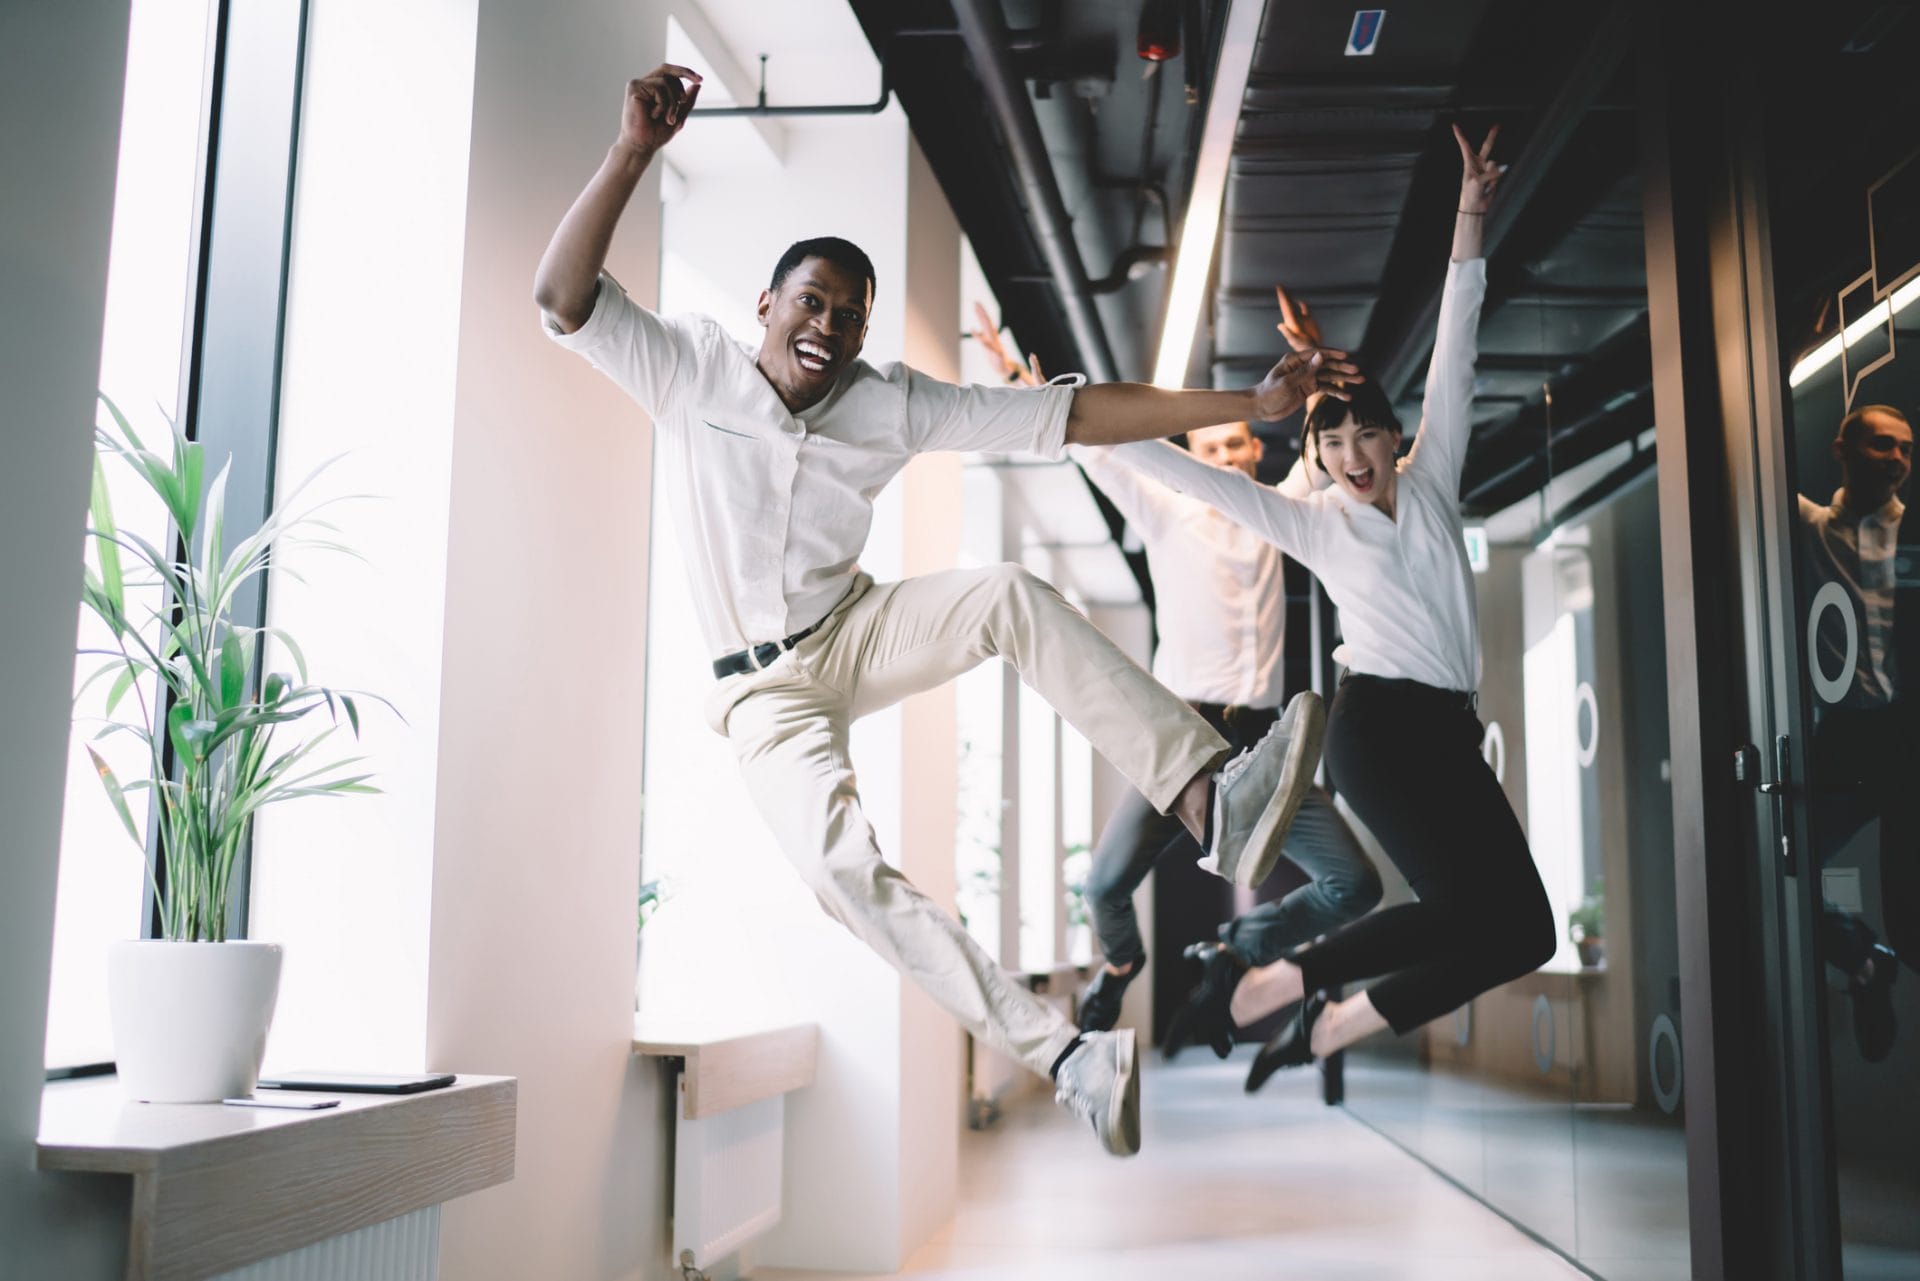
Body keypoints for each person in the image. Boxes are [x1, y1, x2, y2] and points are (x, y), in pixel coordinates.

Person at [532, 66, 1359, 1154]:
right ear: (767, 309)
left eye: (848, 317)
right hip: (762, 698)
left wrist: (1243, 405)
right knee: (843, 875)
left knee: (1007, 595)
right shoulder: (690, 368)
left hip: (853, 629)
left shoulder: (887, 403)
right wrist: (633, 151)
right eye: (810, 304)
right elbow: (561, 299)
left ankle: (1209, 798)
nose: (826, 327)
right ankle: (1068, 1054)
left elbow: (1072, 417)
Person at [1087, 124, 1559, 1092]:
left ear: (1393, 435)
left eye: (1362, 434)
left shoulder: (1432, 481)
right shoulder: (1319, 527)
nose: (1349, 455)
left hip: (1450, 735)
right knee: (1450, 905)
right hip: (1377, 732)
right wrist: (1088, 421)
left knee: (1525, 932)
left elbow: (1458, 340)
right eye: (1329, 441)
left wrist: (1470, 210)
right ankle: (1279, 978)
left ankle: (1336, 1019)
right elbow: (1208, 487)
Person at [969, 310, 1381, 1051]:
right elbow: (1091, 449)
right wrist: (1014, 379)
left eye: (1234, 444)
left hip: (1264, 742)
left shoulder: (1280, 510)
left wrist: (1312, 365)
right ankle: (1123, 960)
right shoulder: (1165, 512)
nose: (1223, 457)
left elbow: (1324, 457)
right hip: (1181, 736)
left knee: (1354, 885)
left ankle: (1235, 950)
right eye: (1210, 447)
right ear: (1194, 454)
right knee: (1101, 887)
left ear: (1255, 450)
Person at [1797, 403, 1916, 1062]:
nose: (1897, 459)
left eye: (1905, 448)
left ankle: (1886, 959)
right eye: (1881, 445)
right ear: (1842, 447)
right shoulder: (1811, 525)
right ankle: (1863, 956)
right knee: (1782, 863)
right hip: (1843, 735)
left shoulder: (1915, 530)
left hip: (1906, 740)